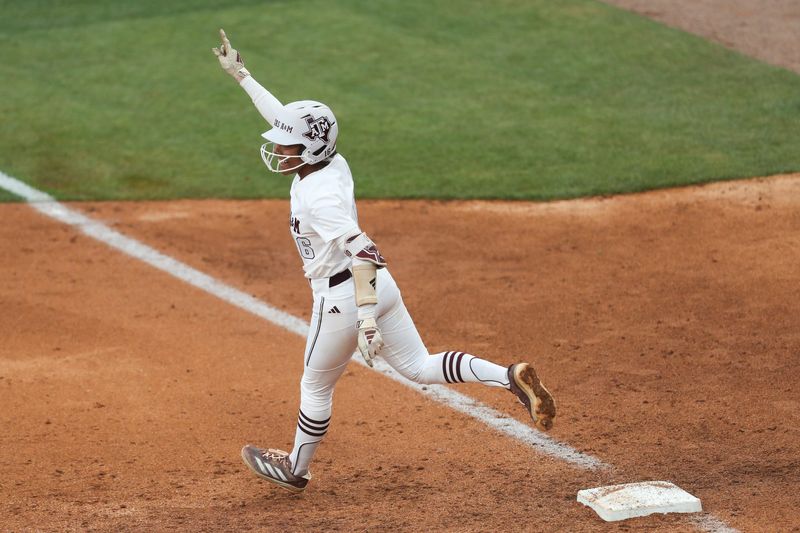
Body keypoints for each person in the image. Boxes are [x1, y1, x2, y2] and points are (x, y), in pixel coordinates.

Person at [212, 29, 556, 493]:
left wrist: (367, 319)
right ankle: (509, 377)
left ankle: (296, 466)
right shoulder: (330, 163)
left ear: (308, 150)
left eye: (286, 145)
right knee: (419, 366)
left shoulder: (319, 199)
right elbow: (290, 122)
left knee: (315, 385)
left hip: (347, 298)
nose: (279, 149)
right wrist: (243, 76)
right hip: (379, 288)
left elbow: (366, 253)